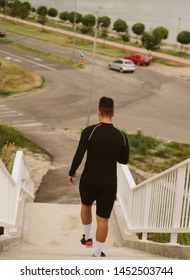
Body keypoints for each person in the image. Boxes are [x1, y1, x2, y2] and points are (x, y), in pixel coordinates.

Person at [68, 96, 129, 257]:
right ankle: (97, 253)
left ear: (98, 112)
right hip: (109, 182)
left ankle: (87, 238)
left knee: (86, 205)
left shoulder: (89, 131)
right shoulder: (122, 137)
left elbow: (79, 154)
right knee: (103, 219)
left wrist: (71, 172)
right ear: (113, 113)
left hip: (89, 179)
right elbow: (124, 160)